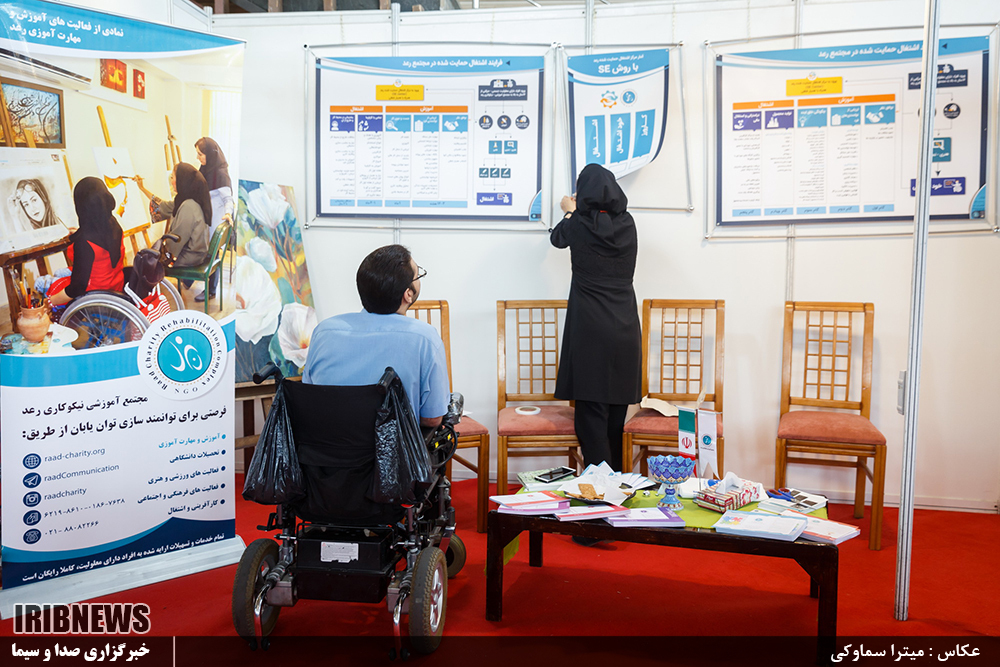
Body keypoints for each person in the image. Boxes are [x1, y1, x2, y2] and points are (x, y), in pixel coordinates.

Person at [550, 163, 642, 474]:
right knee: (615, 422)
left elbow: (557, 239)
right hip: (625, 329)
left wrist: (569, 211)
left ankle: (601, 491)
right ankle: (617, 487)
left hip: (590, 329)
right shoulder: (628, 223)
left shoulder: (578, 223)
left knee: (590, 420)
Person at [303, 244, 449, 428]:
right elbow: (431, 419)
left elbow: (309, 398)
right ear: (408, 294)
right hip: (394, 446)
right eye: (418, 275)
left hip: (327, 443)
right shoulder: (425, 338)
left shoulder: (324, 332)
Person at [48, 178, 125, 306]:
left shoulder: (84, 243)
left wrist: (49, 302)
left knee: (44, 284)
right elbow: (99, 236)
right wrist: (80, 233)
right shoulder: (114, 224)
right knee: (60, 273)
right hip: (116, 288)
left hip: (95, 298)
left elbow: (76, 288)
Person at [136, 162, 211, 271]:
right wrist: (142, 188)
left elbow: (177, 239)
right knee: (151, 256)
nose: (171, 182)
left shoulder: (188, 206)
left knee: (148, 262)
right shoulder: (186, 199)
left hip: (190, 256)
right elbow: (161, 205)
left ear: (182, 180)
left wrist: (163, 253)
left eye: (173, 177)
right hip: (195, 252)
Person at [194, 137, 234, 302]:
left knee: (212, 255)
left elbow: (228, 199)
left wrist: (228, 213)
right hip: (206, 220)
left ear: (210, 154)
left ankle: (210, 290)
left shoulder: (220, 174)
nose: (198, 157)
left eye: (200, 154)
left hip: (216, 221)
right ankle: (198, 284)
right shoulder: (205, 170)